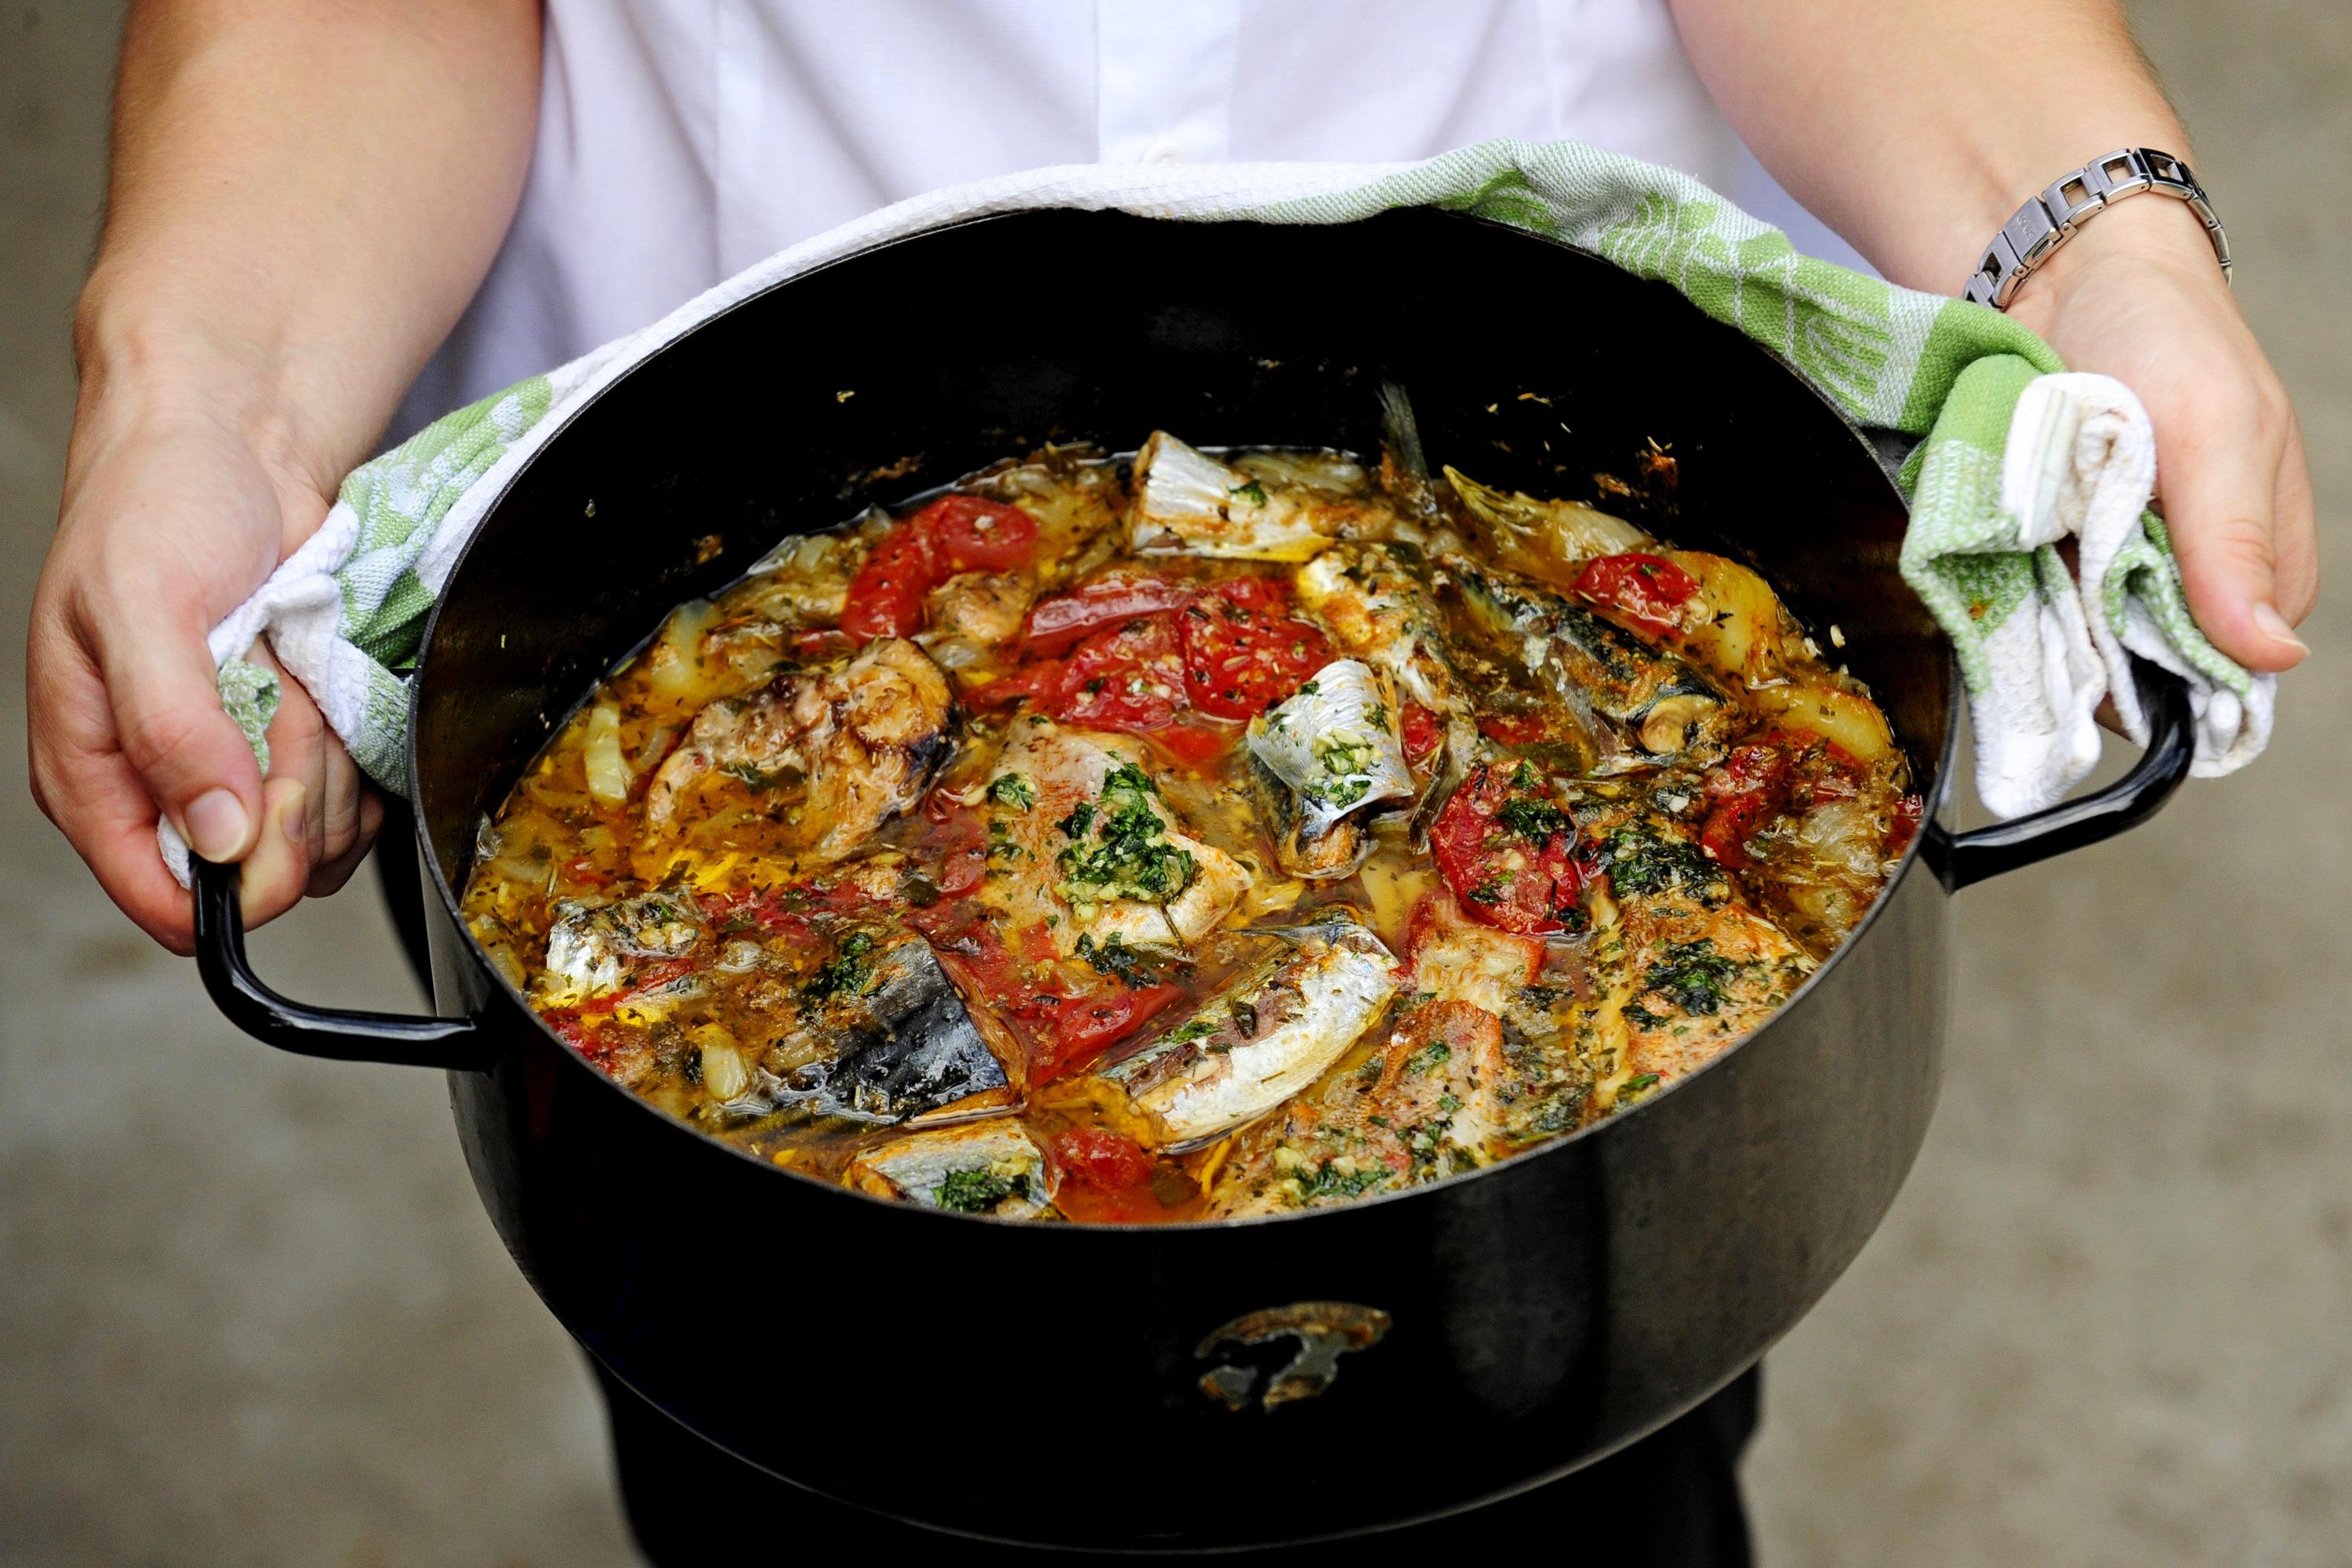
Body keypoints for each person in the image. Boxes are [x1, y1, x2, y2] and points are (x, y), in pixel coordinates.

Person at [24, 4, 2317, 1563]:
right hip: (693, 369)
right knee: (802, 1468)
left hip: (1541, 385)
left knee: (1578, 1446)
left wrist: (2091, 248)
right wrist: (198, 395)